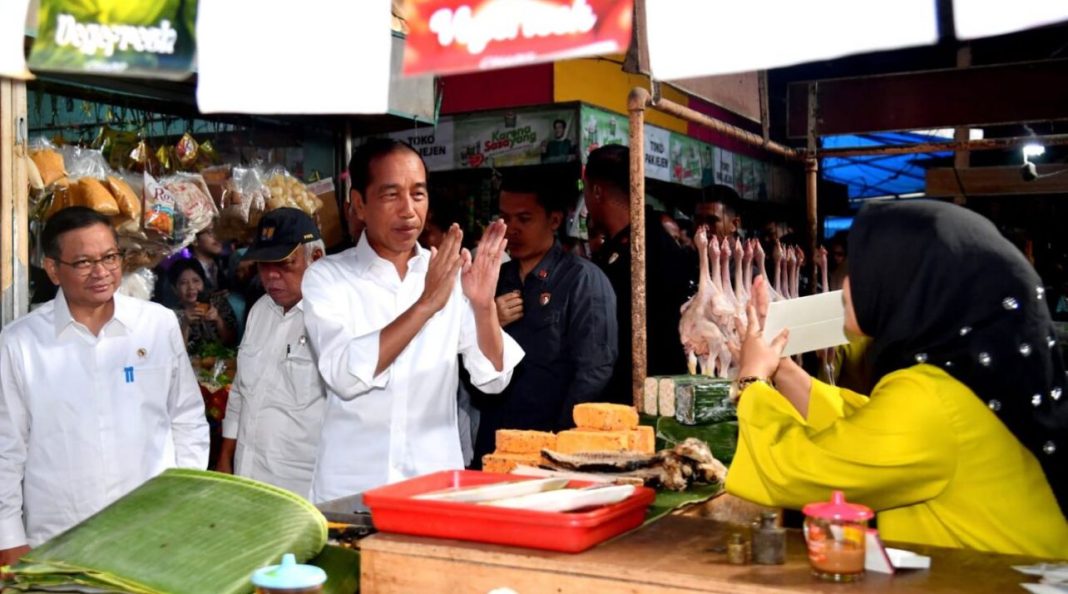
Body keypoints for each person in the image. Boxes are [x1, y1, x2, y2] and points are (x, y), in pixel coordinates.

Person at [728, 200, 1068, 557]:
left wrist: (752, 381)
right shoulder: (954, 381)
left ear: (909, 285)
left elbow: (801, 470)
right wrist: (779, 367)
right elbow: (870, 427)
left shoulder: (931, 400)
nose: (844, 284)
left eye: (864, 271)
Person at [301, 139, 523, 501]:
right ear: (359, 203)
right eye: (391, 195)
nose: (408, 211)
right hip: (352, 489)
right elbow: (344, 374)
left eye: (418, 195)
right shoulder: (328, 278)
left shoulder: (447, 273)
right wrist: (425, 305)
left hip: (433, 487)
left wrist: (483, 306)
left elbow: (494, 378)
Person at [0, 207, 208, 564]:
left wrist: (184, 502)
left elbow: (187, 419)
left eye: (110, 257)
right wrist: (8, 539)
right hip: (60, 541)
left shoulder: (157, 325)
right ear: (53, 269)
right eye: (83, 262)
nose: (102, 272)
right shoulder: (20, 343)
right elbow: (6, 449)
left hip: (154, 532)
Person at [473, 173, 617, 462]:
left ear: (554, 220)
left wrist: (560, 443)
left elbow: (594, 370)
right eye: (505, 219)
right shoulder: (493, 282)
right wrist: (485, 319)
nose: (511, 229)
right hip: (495, 444)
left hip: (550, 446)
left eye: (524, 219)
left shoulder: (583, 280)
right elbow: (468, 365)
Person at [216, 208, 327, 497]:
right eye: (264, 265)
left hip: (302, 489)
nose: (271, 275)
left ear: (316, 259)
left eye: (284, 263)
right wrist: (226, 457)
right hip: (248, 477)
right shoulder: (260, 311)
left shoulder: (334, 317)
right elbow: (241, 390)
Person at [584, 145, 693, 402]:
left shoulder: (642, 248)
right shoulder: (648, 238)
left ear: (597, 191)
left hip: (645, 398)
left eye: (586, 190)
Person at [169, 258, 238, 351]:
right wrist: (185, 324)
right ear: (174, 289)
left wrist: (218, 319)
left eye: (196, 280)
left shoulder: (218, 303)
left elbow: (232, 341)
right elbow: (176, 353)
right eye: (183, 283)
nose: (191, 287)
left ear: (203, 282)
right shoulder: (170, 316)